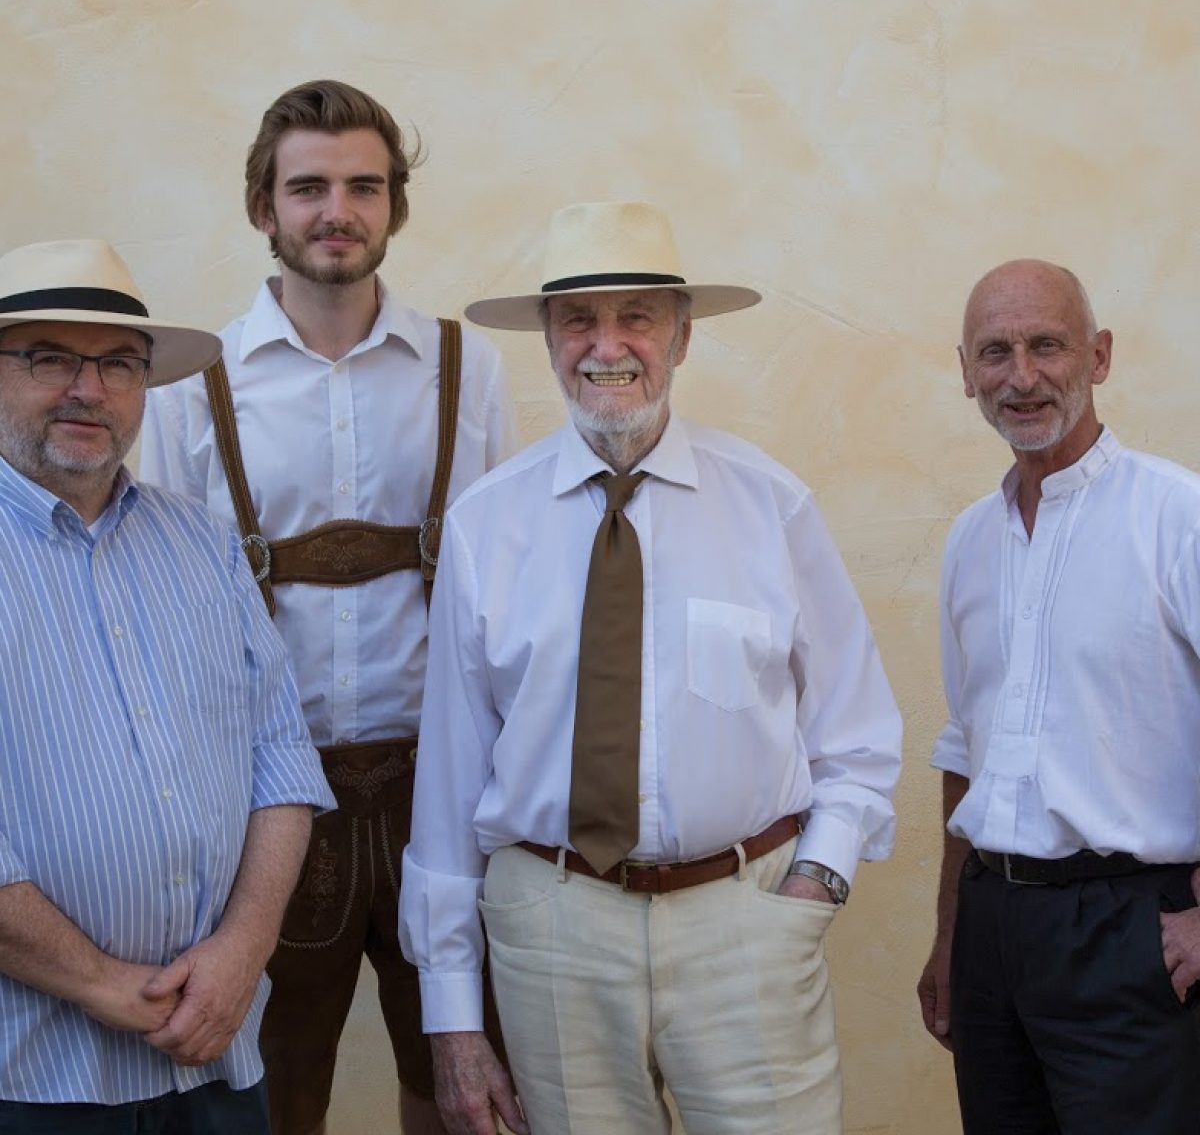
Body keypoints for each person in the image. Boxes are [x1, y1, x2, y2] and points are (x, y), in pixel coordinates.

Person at [400, 200, 903, 1135]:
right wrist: (453, 1019)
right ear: (548, 338)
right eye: (578, 319)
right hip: (551, 930)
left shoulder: (771, 506)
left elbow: (858, 733)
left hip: (744, 924)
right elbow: (449, 785)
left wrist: (814, 885)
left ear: (681, 335)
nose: (607, 345)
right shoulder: (486, 525)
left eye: (637, 315)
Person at [139, 79, 515, 1135]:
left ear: (395, 204)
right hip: (266, 808)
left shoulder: (464, 366)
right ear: (263, 206)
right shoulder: (191, 387)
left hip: (441, 794)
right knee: (271, 1092)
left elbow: (505, 585)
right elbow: (173, 607)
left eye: (363, 185)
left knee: (463, 1082)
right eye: (308, 187)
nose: (335, 210)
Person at [0, 238, 335, 1134]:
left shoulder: (204, 544)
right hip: (32, 1074)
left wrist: (242, 952)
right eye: (49, 357)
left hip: (219, 1051)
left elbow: (283, 759)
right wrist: (103, 985)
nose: (88, 388)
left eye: (118, 363)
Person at [918, 258, 1200, 1133]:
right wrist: (950, 935)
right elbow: (967, 748)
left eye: (1048, 345)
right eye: (995, 352)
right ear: (966, 372)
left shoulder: (1178, 517)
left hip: (1132, 930)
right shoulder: (971, 540)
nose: (1023, 376)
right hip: (995, 928)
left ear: (1099, 356)